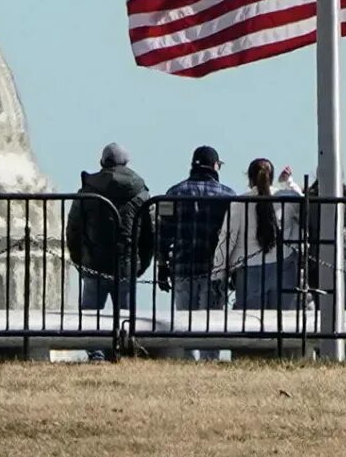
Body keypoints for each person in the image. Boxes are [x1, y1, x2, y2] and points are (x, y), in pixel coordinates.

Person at [65, 142, 153, 360]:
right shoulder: (141, 193)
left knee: (89, 316)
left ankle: (96, 354)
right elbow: (149, 235)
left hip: (94, 263)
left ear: (103, 163)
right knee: (125, 315)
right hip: (126, 263)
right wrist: (141, 264)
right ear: (126, 163)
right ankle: (121, 353)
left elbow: (73, 230)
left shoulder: (87, 191)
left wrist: (80, 261)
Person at [155, 145, 235, 360]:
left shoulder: (174, 193)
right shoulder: (228, 196)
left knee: (184, 323)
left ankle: (187, 363)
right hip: (214, 270)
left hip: (182, 268)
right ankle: (210, 362)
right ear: (216, 166)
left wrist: (162, 265)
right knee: (212, 324)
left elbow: (163, 233)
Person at [214, 159, 304, 310]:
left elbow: (227, 240)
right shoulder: (287, 199)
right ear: (272, 177)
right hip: (284, 267)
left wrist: (218, 272)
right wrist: (288, 183)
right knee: (284, 324)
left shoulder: (238, 203)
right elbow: (305, 206)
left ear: (249, 178)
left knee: (251, 325)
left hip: (250, 270)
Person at [304, 180, 346, 312]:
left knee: (322, 309)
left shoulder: (310, 199)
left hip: (317, 258)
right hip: (345, 255)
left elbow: (305, 227)